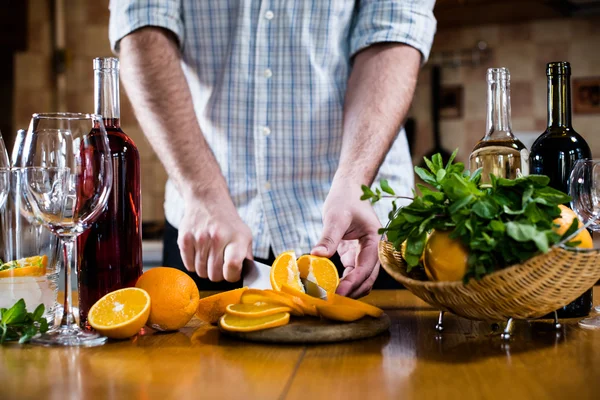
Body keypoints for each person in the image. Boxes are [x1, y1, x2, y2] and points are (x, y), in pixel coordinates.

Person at [109, 1, 437, 298]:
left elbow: (394, 28)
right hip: (211, 232)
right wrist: (202, 191)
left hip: (358, 229)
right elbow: (142, 24)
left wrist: (355, 180)